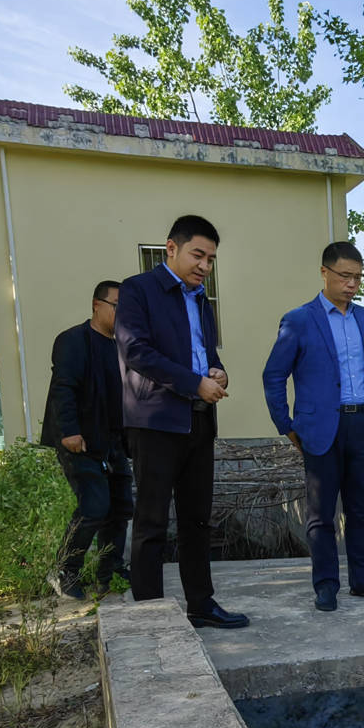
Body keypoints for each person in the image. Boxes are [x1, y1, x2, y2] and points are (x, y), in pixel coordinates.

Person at [115, 214, 248, 629]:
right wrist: (194, 383)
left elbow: (206, 353)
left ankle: (201, 604)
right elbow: (136, 351)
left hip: (199, 421)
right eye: (198, 255)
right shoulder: (138, 291)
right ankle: (152, 615)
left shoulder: (201, 300)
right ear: (170, 248)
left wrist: (218, 371)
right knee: (152, 522)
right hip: (155, 422)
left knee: (197, 520)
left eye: (211, 259)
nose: (204, 266)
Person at [262, 240, 364, 612]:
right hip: (320, 429)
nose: (351, 284)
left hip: (361, 423)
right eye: (344, 276)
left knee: (360, 509)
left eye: (358, 278)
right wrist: (286, 425)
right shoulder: (300, 320)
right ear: (324, 273)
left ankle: (363, 580)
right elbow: (274, 375)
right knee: (321, 514)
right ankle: (325, 585)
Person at [42, 280, 133, 598]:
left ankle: (110, 572)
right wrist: (68, 431)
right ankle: (64, 571)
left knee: (121, 507)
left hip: (113, 440)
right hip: (78, 440)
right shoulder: (73, 340)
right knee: (94, 505)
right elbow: (63, 387)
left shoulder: (122, 347)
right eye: (118, 305)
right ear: (97, 305)